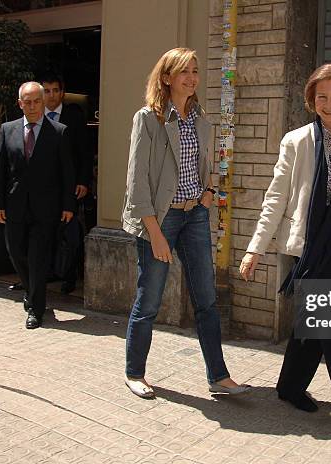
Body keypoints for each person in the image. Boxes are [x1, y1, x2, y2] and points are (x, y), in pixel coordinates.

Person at [239, 64, 331, 437]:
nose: (329, 103)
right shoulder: (297, 140)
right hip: (304, 247)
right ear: (311, 99)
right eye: (321, 96)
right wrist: (255, 249)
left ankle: (289, 388)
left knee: (314, 323)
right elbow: (276, 198)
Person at [122, 48, 250, 398]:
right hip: (160, 218)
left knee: (206, 299)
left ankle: (219, 377)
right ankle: (135, 373)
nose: (192, 77)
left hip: (195, 213)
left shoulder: (199, 118)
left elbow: (204, 162)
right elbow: (137, 183)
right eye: (183, 72)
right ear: (166, 78)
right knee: (149, 300)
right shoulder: (148, 119)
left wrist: (208, 192)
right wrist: (154, 232)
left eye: (195, 71)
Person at [0, 82, 76, 329]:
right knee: (16, 252)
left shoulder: (59, 131)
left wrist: (67, 205)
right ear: (20, 104)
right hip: (15, 205)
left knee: (38, 258)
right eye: (26, 102)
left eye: (36, 101)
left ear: (43, 102)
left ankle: (36, 310)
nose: (31, 106)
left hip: (46, 208)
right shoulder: (7, 130)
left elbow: (67, 173)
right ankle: (31, 292)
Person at [41, 72, 94, 294]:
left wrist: (83, 180)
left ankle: (70, 276)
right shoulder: (34, 116)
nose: (51, 96)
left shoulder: (73, 115)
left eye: (55, 90)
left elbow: (84, 150)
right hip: (42, 189)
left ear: (62, 93)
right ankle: (44, 273)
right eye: (47, 91)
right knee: (45, 233)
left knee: (69, 233)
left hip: (69, 186)